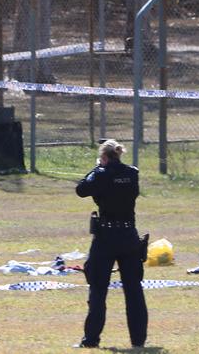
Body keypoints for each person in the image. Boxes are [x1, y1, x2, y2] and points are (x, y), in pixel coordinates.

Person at [75, 139, 148, 348]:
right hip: (129, 236)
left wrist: (97, 168)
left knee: (98, 289)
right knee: (134, 290)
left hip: (106, 238)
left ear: (104, 157)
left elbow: (81, 189)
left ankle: (91, 340)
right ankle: (138, 341)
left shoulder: (100, 174)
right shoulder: (132, 174)